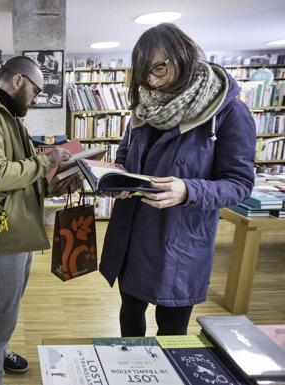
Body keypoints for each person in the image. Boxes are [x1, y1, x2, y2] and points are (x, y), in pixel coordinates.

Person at [99, 23, 256, 337]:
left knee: (172, 329)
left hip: (178, 237)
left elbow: (239, 184)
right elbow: (126, 151)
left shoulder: (228, 112)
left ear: (184, 56)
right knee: (130, 311)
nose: (151, 80)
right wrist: (117, 174)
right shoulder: (143, 107)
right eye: (143, 71)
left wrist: (188, 190)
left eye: (158, 68)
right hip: (132, 232)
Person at [0, 56, 72, 385]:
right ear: (18, 80)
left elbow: (19, 172)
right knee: (2, 312)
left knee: (10, 304)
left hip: (18, 225)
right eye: (35, 91)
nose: (35, 100)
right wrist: (46, 160)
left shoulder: (8, 115)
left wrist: (53, 181)